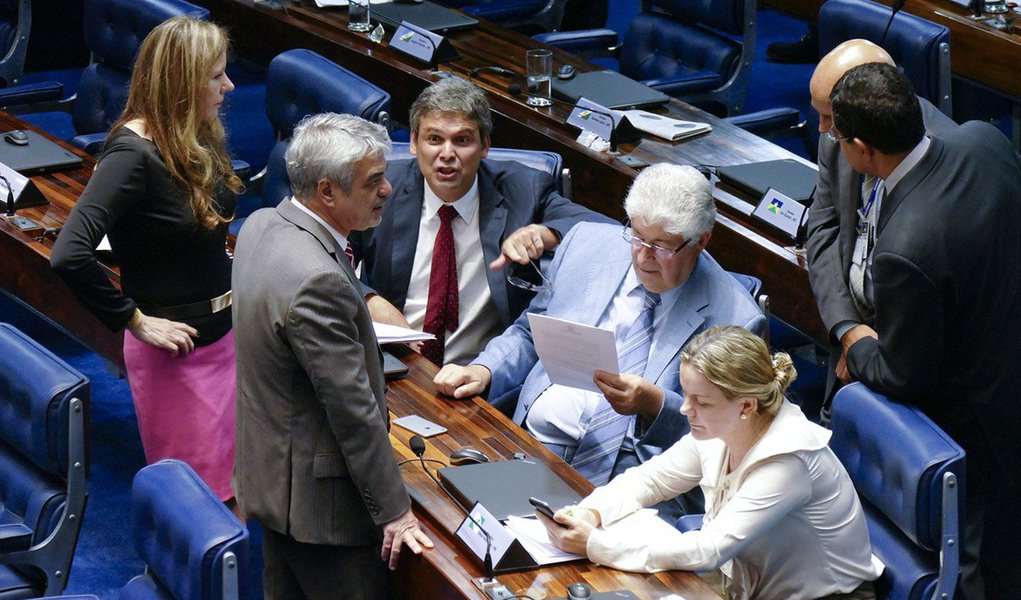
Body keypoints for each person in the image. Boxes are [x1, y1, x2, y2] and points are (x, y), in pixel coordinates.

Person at [435, 164, 765, 519]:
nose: (643, 256)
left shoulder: (736, 319)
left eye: (661, 246)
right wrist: (485, 369)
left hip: (635, 482)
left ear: (701, 241)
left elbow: (732, 435)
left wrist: (655, 406)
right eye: (637, 236)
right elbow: (530, 333)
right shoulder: (586, 244)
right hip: (532, 445)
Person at [829, 62, 1021, 599]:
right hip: (1010, 357)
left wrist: (857, 343)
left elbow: (903, 374)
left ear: (862, 149)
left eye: (837, 137)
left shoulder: (904, 247)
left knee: (975, 563)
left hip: (977, 418)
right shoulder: (984, 140)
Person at [232, 113, 432, 599]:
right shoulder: (317, 280)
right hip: (324, 515)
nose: (387, 189)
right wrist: (395, 512)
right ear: (327, 191)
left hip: (273, 482)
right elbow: (353, 411)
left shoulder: (261, 224)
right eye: (373, 181)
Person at [538, 326, 882, 600]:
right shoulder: (723, 427)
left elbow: (709, 549)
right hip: (747, 585)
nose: (685, 409)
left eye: (700, 402)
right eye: (686, 395)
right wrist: (591, 512)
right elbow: (651, 480)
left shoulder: (788, 460)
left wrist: (595, 544)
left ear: (746, 406)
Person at [51, 17, 242, 504]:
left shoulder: (195, 133)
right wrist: (132, 320)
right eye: (216, 76)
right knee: (198, 506)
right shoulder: (131, 154)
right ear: (182, 83)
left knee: (236, 492)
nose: (229, 86)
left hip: (226, 339)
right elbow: (69, 253)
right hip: (177, 354)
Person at [349, 77, 613, 367]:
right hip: (396, 361)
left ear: (485, 145)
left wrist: (547, 232)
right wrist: (370, 299)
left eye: (461, 140)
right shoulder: (382, 189)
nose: (447, 154)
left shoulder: (524, 190)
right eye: (434, 139)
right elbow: (327, 257)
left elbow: (608, 230)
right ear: (413, 142)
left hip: (481, 372)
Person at [805, 39, 957, 415]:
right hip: (852, 341)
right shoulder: (835, 137)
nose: (822, 129)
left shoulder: (945, 160)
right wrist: (847, 329)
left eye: (829, 117)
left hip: (913, 367)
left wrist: (870, 350)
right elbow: (822, 229)